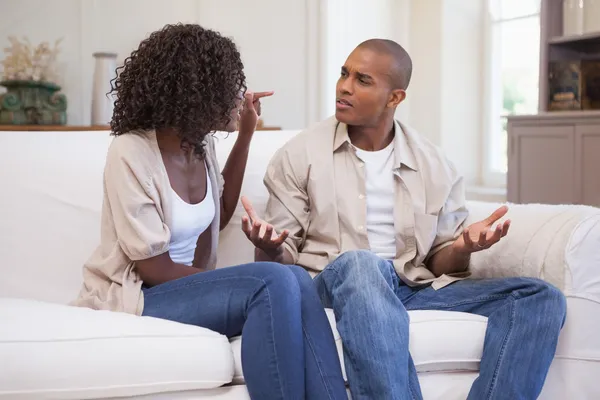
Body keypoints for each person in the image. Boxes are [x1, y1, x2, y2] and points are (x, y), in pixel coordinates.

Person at [241, 39, 567, 400]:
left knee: (539, 296)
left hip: (407, 287)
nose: (344, 87)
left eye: (363, 80)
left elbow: (438, 261)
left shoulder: (433, 164)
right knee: (362, 265)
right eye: (344, 74)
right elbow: (283, 256)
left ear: (395, 98)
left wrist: (461, 246)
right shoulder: (301, 154)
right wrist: (269, 245)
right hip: (331, 285)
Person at [71, 23, 347, 400]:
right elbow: (152, 267)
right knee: (272, 280)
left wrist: (247, 133)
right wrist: (231, 283)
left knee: (295, 279)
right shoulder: (131, 153)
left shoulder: (198, 145)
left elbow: (219, 211)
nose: (240, 95)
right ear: (195, 91)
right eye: (230, 85)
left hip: (181, 286)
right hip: (139, 295)